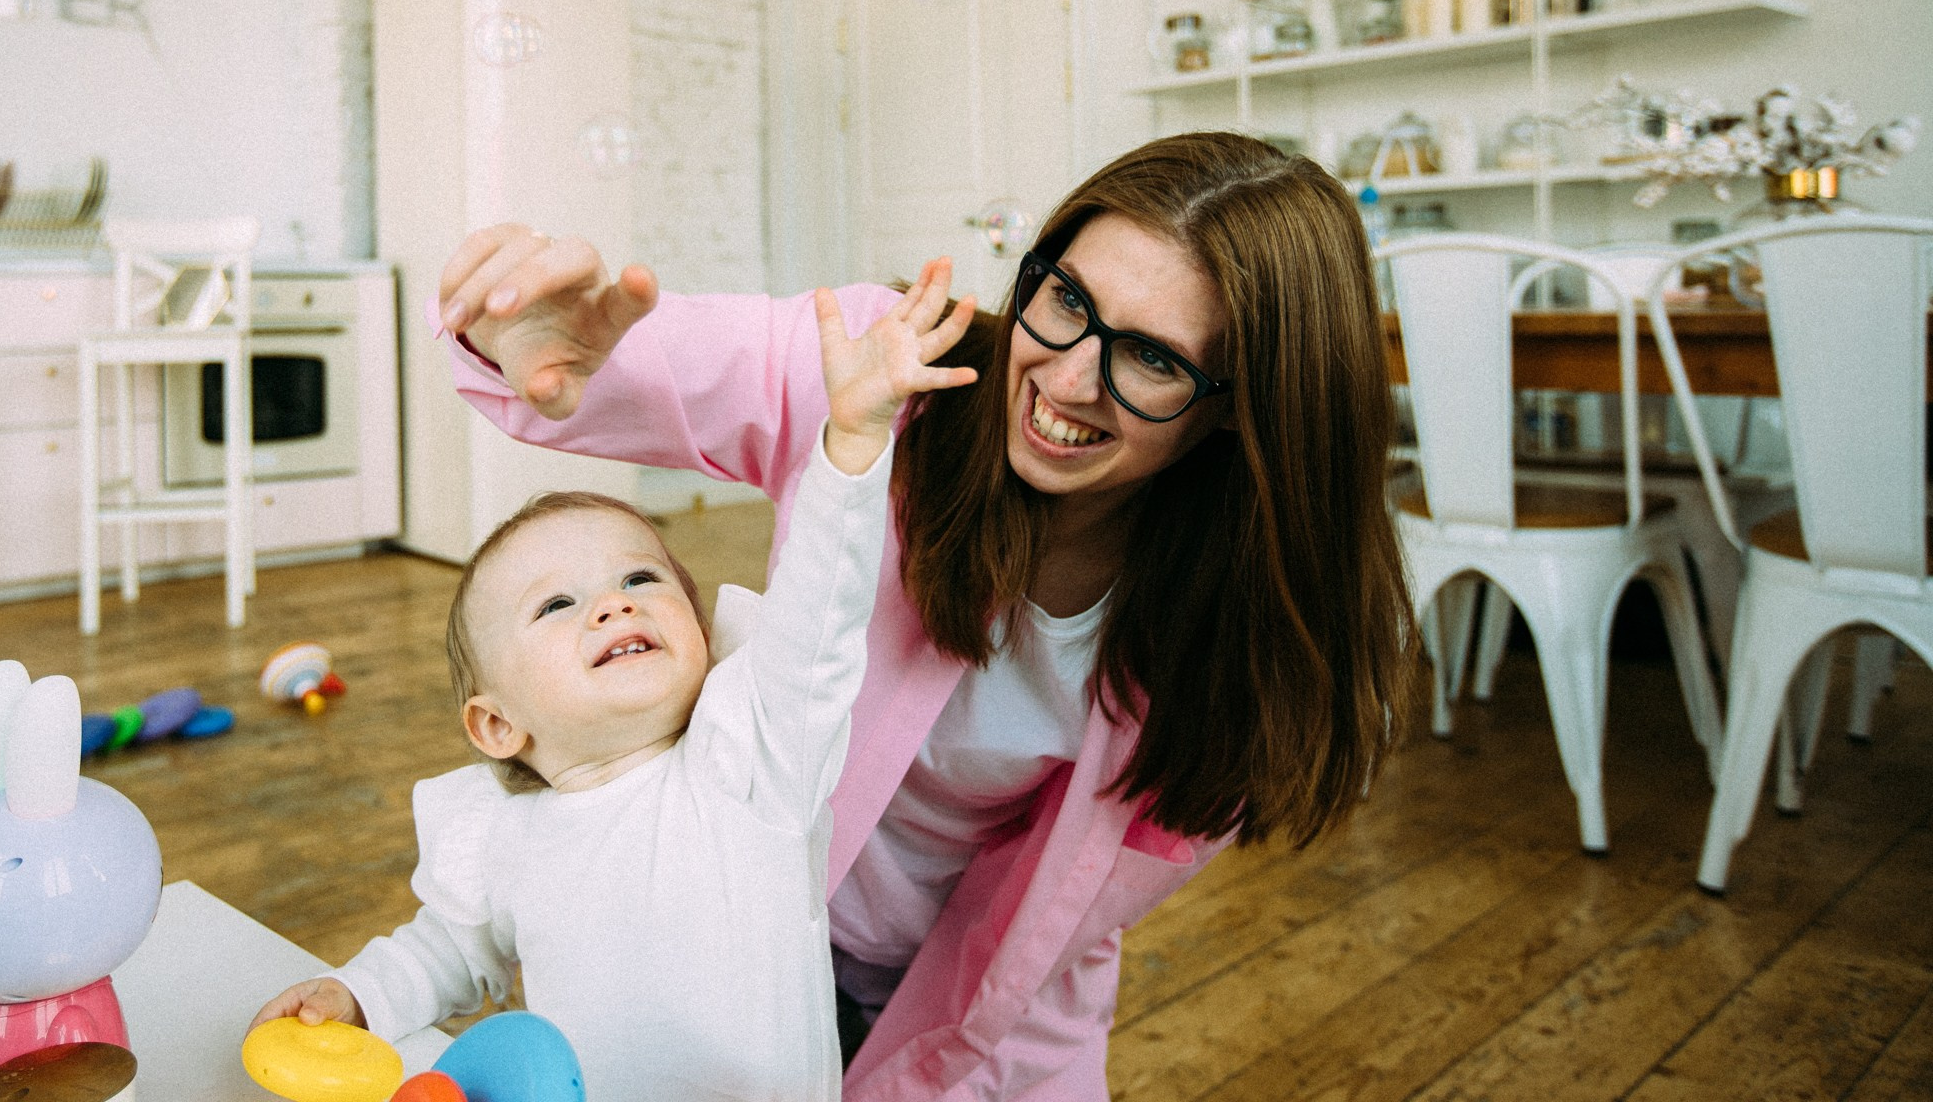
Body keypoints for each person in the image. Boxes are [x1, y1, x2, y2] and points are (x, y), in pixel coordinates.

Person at [429, 131, 1413, 1100]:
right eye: (1066, 297)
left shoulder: (1250, 628)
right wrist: (541, 342)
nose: (1067, 379)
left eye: (1151, 357)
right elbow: (647, 362)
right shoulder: (892, 370)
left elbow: (1052, 923)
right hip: (743, 946)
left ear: (1243, 407)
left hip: (997, 1017)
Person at [250, 261, 982, 1102]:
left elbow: (819, 620)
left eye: (640, 581)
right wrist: (358, 995)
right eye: (558, 603)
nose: (610, 607)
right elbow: (449, 954)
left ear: (702, 636)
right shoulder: (504, 838)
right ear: (496, 726)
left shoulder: (750, 762)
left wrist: (853, 446)